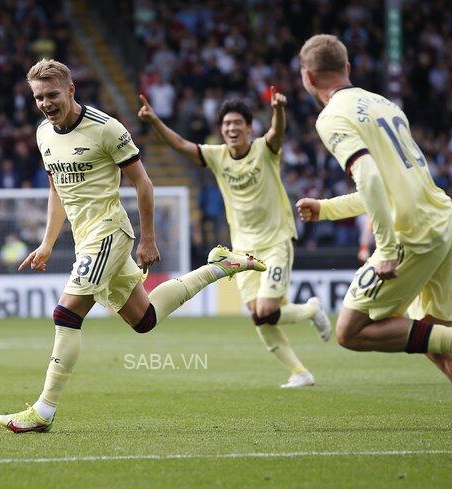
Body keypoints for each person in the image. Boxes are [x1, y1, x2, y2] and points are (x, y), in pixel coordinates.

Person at [0, 59, 266, 433]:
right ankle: (221, 265)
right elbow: (56, 189)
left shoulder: (106, 129)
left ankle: (44, 409)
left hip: (109, 233)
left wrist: (149, 238)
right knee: (145, 319)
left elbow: (143, 183)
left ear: (71, 90)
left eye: (52, 95)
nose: (45, 103)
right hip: (85, 239)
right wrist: (46, 243)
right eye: (39, 97)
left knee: (66, 315)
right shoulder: (44, 133)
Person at [295, 34, 452, 456]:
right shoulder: (384, 103)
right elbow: (389, 184)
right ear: (347, 68)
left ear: (308, 77)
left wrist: (384, 248)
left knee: (351, 331)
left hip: (409, 235)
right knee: (430, 340)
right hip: (441, 220)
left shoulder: (332, 116)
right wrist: (327, 209)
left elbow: (367, 177)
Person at [139, 89, 331, 389]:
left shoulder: (264, 149)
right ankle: (299, 372)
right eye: (226, 123)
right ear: (222, 129)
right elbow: (180, 144)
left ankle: (311, 310)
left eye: (237, 123)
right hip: (242, 249)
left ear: (249, 127)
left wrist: (279, 110)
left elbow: (277, 133)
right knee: (258, 315)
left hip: (276, 241)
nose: (231, 128)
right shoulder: (217, 156)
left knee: (267, 310)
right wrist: (154, 121)